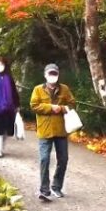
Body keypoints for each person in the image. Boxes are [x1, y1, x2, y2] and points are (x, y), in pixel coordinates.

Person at [30, 63, 74, 202]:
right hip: (44, 130)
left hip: (61, 130)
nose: (52, 76)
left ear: (58, 75)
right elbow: (34, 105)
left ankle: (56, 186)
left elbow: (72, 104)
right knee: (44, 159)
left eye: (55, 74)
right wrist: (50, 107)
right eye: (50, 74)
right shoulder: (38, 89)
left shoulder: (65, 89)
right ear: (45, 75)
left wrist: (60, 108)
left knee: (63, 159)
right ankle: (44, 190)